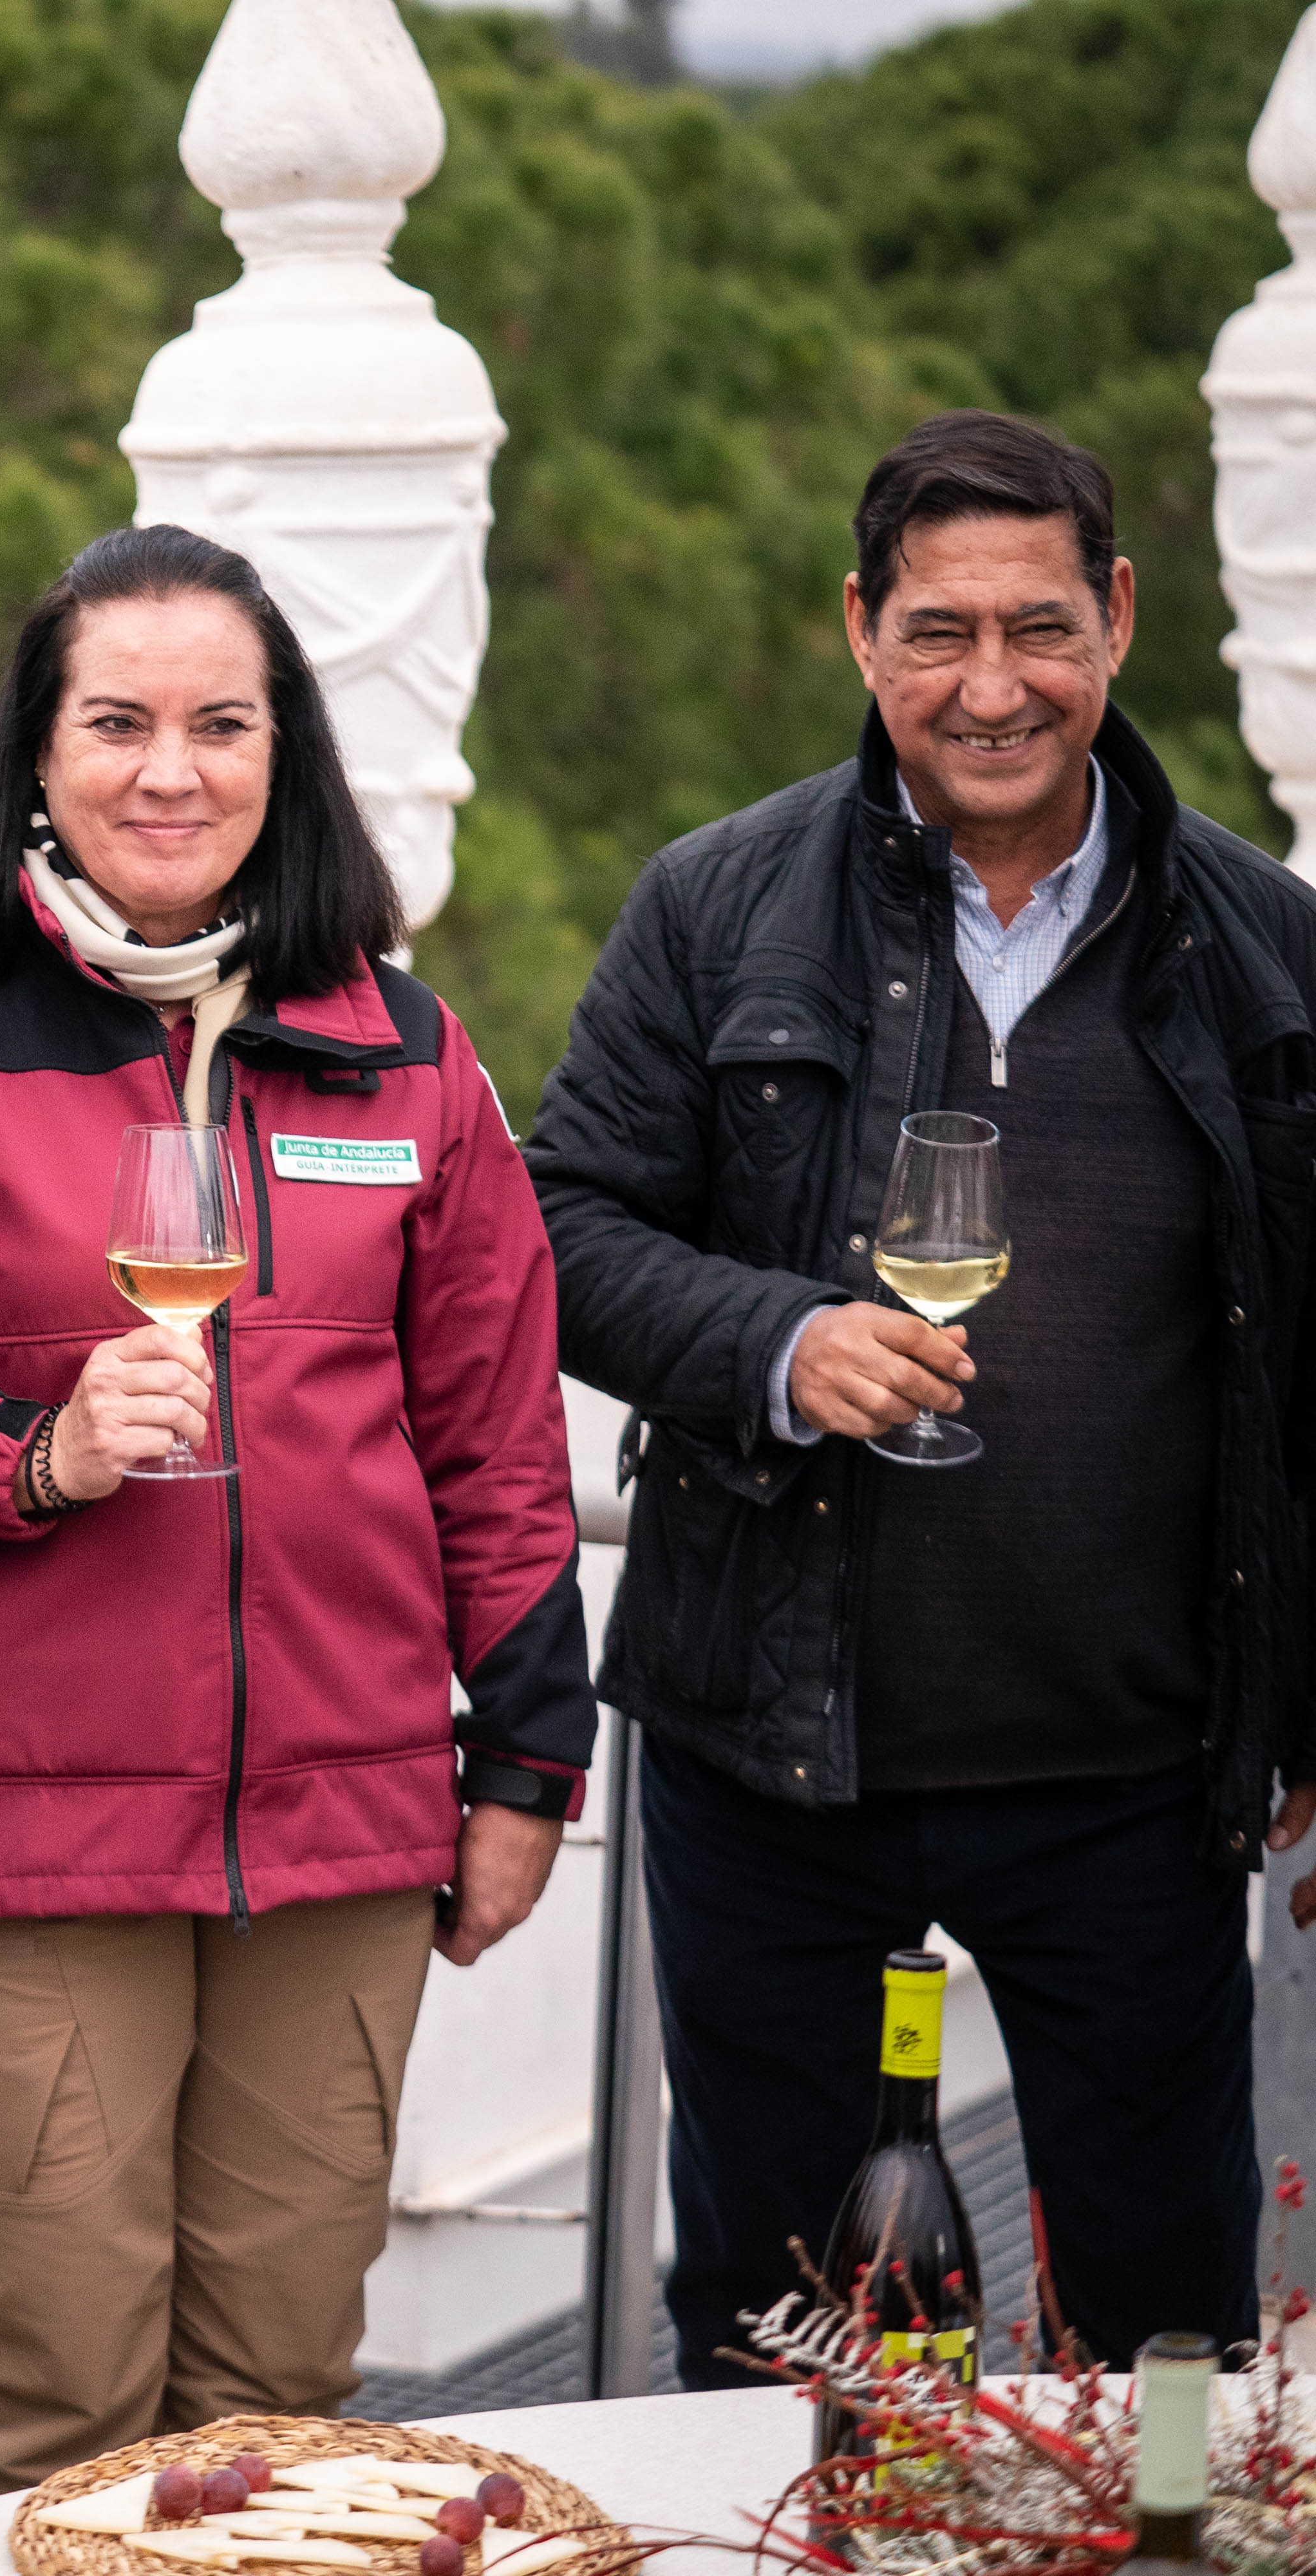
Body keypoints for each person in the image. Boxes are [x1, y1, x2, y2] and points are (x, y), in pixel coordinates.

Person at [0, 523, 593, 2499]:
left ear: (282, 756)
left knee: (285, 2395)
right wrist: (30, 1452)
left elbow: (493, 1440)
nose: (168, 769)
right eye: (114, 722)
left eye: (221, 723)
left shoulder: (405, 1053)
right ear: (34, 756)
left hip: (343, 1836)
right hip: (25, 1839)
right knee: (65, 2386)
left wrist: (530, 1759)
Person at [527, 409, 1316, 2378]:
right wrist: (778, 1346)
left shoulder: (1266, 951)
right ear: (860, 631)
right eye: (940, 631)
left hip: (1134, 1784)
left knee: (1166, 2338)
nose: (993, 687)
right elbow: (558, 1224)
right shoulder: (715, 905)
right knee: (787, 2337)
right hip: (772, 1769)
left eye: (1039, 627)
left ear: (1119, 621)